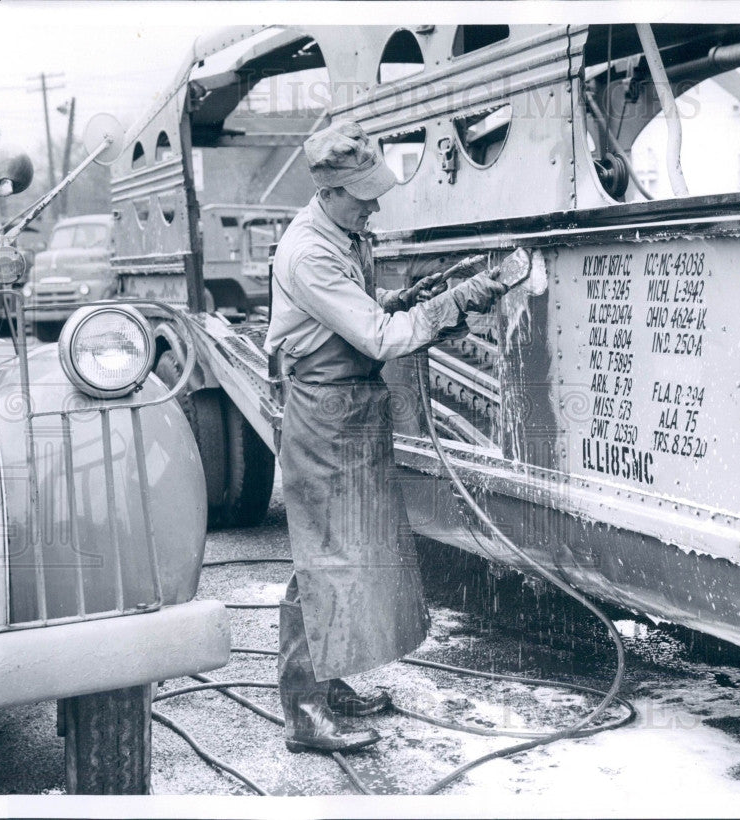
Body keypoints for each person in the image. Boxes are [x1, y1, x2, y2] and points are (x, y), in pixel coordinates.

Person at [263, 120, 508, 753]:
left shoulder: (343, 232)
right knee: (324, 558)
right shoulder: (308, 251)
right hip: (323, 412)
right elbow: (378, 337)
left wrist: (413, 295)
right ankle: (304, 712)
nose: (376, 204)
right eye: (365, 194)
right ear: (333, 189)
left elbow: (366, 309)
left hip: (351, 405)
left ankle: (329, 677)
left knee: (353, 550)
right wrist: (457, 302)